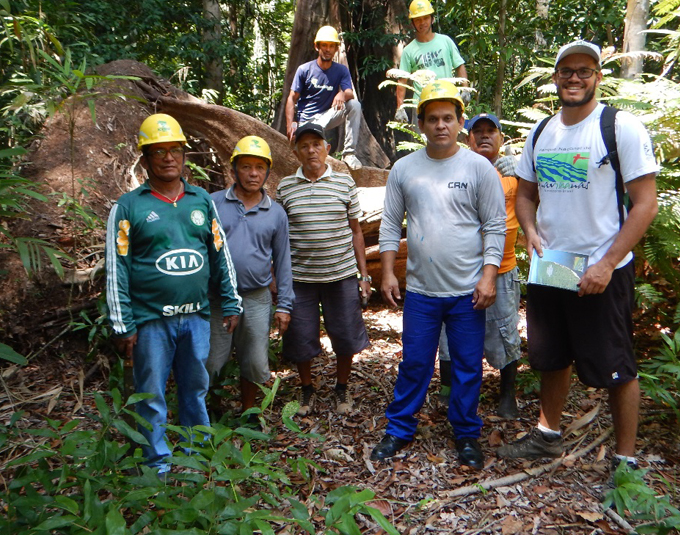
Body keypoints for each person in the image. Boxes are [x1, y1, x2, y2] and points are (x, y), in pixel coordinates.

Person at [498, 41, 659, 482]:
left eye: (584, 71)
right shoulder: (542, 132)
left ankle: (625, 463)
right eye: (566, 70)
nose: (575, 78)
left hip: (602, 268)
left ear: (598, 77)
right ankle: (548, 434)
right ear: (555, 77)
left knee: (616, 364)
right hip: (553, 265)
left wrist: (608, 263)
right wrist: (530, 230)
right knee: (551, 356)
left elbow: (645, 203)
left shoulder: (619, 127)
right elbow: (527, 194)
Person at [372, 81, 506, 469]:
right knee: (415, 362)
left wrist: (488, 276)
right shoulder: (404, 169)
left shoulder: (479, 168)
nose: (441, 125)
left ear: (461, 122)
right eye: (433, 119)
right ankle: (399, 429)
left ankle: (466, 434)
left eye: (448, 118)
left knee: (466, 365)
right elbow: (388, 225)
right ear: (420, 124)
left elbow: (495, 226)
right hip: (422, 292)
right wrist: (386, 272)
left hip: (468, 291)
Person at [106, 113, 242, 475]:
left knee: (195, 387)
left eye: (175, 150)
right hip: (151, 320)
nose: (168, 157)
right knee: (150, 394)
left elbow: (220, 254)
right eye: (158, 151)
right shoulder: (129, 206)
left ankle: (197, 453)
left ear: (184, 155)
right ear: (146, 158)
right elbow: (116, 266)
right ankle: (158, 465)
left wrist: (231, 301)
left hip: (196, 315)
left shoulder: (200, 200)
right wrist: (123, 325)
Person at [275, 123, 372, 416]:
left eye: (316, 144)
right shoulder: (285, 187)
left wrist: (364, 276)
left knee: (345, 335)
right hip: (300, 278)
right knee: (300, 337)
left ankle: (341, 388)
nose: (311, 150)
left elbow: (356, 232)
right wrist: (276, 278)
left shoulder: (345, 183)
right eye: (304, 146)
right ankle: (307, 389)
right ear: (296, 152)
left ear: (327, 149)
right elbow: (279, 236)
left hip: (340, 275)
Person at [437, 113, 523, 419]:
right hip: (461, 268)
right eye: (478, 132)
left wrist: (525, 171)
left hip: (502, 268)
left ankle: (508, 395)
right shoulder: (457, 167)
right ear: (467, 137)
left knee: (504, 331)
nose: (484, 136)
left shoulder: (513, 172)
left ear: (500, 137)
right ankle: (448, 391)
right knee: (450, 332)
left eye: (491, 131)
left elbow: (538, 200)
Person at [207, 136, 294, 424]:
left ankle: (248, 412)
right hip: (218, 297)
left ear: (268, 171)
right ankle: (213, 409)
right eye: (246, 166)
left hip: (256, 296)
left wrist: (284, 304)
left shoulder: (276, 212)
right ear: (234, 169)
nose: (253, 173)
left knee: (255, 359)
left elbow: (282, 260)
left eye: (259, 167)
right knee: (212, 360)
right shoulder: (214, 204)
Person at [286, 26, 363, 169]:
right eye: (324, 45)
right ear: (317, 47)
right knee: (314, 139)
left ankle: (349, 154)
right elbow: (292, 98)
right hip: (307, 120)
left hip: (328, 115)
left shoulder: (341, 70)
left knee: (354, 105)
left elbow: (349, 93)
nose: (328, 49)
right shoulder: (304, 70)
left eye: (331, 46)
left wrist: (341, 94)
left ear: (336, 49)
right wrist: (290, 124)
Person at [394, 0, 468, 123]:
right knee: (422, 142)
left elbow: (459, 65)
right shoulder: (409, 51)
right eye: (418, 19)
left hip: (448, 99)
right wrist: (400, 108)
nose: (422, 22)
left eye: (425, 18)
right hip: (423, 106)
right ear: (412, 23)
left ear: (432, 19)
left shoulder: (446, 41)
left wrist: (465, 89)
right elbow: (402, 81)